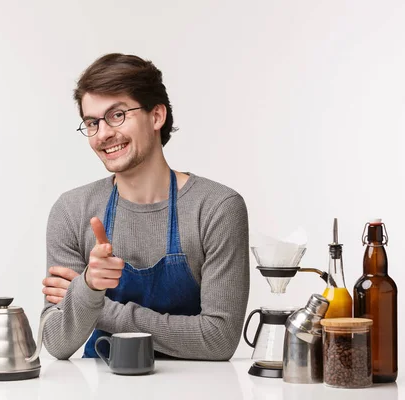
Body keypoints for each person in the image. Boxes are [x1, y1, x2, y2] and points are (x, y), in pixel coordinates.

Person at [38, 53, 249, 360]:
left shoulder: (216, 208)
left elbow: (219, 339)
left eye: (117, 115)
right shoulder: (72, 211)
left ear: (156, 116)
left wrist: (92, 301)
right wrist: (90, 285)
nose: (103, 133)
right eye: (92, 122)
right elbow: (57, 343)